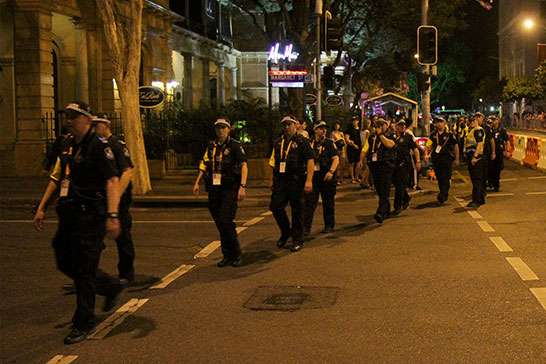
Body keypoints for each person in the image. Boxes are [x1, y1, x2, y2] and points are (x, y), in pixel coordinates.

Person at [33, 102, 123, 345]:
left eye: (74, 117)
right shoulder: (66, 144)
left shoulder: (98, 148)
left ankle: (84, 322)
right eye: (67, 116)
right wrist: (41, 207)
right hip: (68, 215)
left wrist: (113, 216)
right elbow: (57, 178)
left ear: (87, 120)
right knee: (63, 259)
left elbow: (112, 182)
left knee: (83, 270)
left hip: (90, 217)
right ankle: (108, 285)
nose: (69, 121)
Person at [193, 118, 248, 267]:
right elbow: (204, 164)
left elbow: (244, 166)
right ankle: (227, 255)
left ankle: (236, 253)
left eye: (223, 128)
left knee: (225, 221)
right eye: (218, 128)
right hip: (214, 189)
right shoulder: (211, 146)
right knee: (220, 223)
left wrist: (242, 186)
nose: (220, 130)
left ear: (229, 129)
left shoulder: (235, 146)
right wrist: (197, 182)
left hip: (230, 188)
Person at [92, 113, 135, 285]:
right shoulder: (95, 146)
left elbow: (127, 171)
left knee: (123, 238)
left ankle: (126, 274)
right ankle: (87, 276)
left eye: (97, 125)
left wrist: (116, 196)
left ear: (106, 125)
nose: (94, 128)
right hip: (99, 200)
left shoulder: (117, 145)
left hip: (118, 201)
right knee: (90, 240)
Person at [269, 115, 314, 252]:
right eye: (285, 125)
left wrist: (309, 181)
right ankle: (286, 231)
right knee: (275, 207)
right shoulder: (278, 142)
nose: (287, 127)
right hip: (281, 180)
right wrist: (271, 180)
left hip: (296, 180)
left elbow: (310, 161)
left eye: (290, 124)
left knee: (297, 210)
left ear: (296, 126)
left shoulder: (302, 142)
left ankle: (297, 238)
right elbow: (273, 162)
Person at [304, 121, 340, 234]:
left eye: (325, 128)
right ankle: (306, 228)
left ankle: (329, 225)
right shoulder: (310, 143)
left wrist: (331, 172)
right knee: (309, 203)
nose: (324, 130)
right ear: (315, 130)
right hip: (314, 176)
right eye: (320, 128)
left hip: (326, 176)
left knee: (328, 202)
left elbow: (336, 159)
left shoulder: (329, 143)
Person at [360, 119, 395, 223]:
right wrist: (361, 160)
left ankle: (380, 212)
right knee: (379, 189)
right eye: (377, 125)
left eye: (382, 125)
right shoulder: (372, 137)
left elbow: (390, 145)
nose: (379, 127)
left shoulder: (390, 135)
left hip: (386, 166)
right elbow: (365, 149)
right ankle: (386, 209)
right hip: (375, 166)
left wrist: (381, 135)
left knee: (385, 190)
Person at [424, 117, 459, 204]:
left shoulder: (449, 135)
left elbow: (456, 146)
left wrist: (457, 158)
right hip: (437, 159)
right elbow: (428, 145)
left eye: (441, 122)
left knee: (446, 177)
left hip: (446, 159)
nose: (439, 124)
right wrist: (425, 154)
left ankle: (443, 194)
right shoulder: (433, 134)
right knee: (439, 177)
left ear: (445, 123)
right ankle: (443, 192)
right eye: (437, 122)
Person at [392, 121, 420, 214]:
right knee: (396, 183)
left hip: (404, 164)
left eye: (404, 125)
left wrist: (418, 161)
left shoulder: (408, 137)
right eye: (400, 125)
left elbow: (415, 149)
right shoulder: (392, 137)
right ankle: (406, 197)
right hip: (393, 164)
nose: (402, 127)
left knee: (400, 185)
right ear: (396, 126)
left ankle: (397, 206)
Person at [464, 114, 486, 208]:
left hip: (476, 157)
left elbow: (480, 143)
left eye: (473, 121)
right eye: (470, 121)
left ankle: (478, 199)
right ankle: (478, 198)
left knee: (477, 178)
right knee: (475, 178)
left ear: (477, 121)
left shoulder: (478, 130)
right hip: (473, 156)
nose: (471, 122)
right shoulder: (472, 130)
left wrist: (475, 156)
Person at [488, 116, 509, 191]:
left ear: (497, 120)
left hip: (499, 152)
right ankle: (490, 181)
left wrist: (507, 151)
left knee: (498, 169)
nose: (492, 122)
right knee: (490, 168)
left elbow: (507, 141)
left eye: (494, 120)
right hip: (490, 151)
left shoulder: (502, 130)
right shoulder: (489, 130)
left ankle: (496, 184)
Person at [345, 116, 362, 183]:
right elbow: (347, 139)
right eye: (353, 120)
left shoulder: (360, 129)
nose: (354, 122)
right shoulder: (349, 130)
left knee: (358, 163)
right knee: (351, 163)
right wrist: (353, 144)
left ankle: (357, 176)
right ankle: (352, 178)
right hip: (351, 148)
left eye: (355, 120)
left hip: (359, 148)